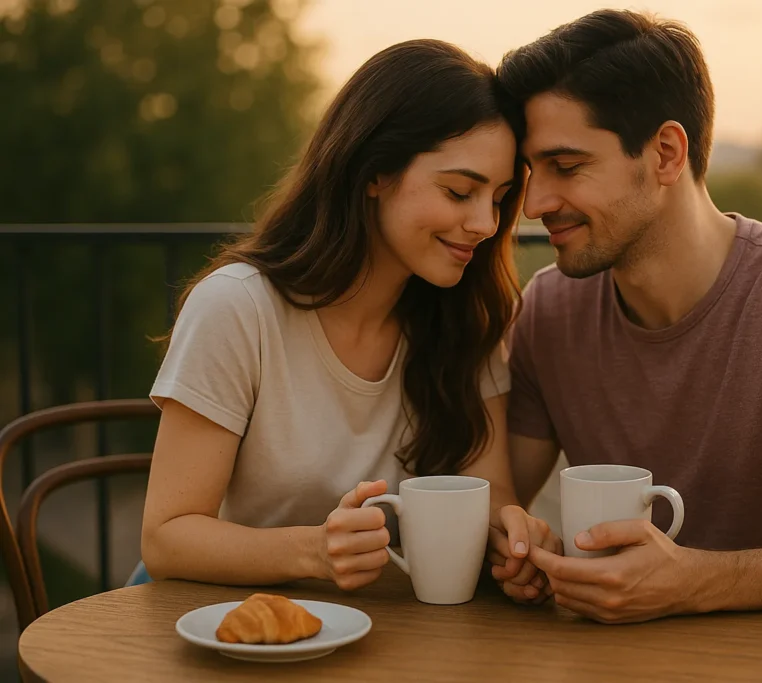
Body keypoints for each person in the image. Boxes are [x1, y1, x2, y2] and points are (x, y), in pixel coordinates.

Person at [488, 10, 762, 622]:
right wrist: (514, 543)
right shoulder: (550, 310)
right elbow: (500, 496)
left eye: (566, 167)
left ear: (666, 154)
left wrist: (692, 582)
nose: (535, 204)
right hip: (624, 657)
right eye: (530, 173)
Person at [137, 39, 560, 592]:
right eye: (460, 191)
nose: (485, 223)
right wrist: (313, 551)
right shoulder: (237, 308)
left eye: (499, 198)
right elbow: (166, 539)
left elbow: (491, 491)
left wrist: (510, 538)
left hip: (392, 630)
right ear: (374, 173)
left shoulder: (467, 318)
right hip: (241, 625)